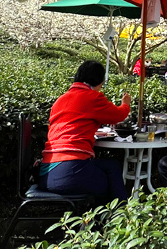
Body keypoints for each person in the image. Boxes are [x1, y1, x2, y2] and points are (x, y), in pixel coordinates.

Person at [39, 60, 132, 203]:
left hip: (45, 174)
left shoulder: (60, 100)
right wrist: (126, 104)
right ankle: (122, 218)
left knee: (111, 166)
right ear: (99, 81)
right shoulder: (92, 97)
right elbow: (118, 116)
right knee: (111, 183)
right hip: (70, 173)